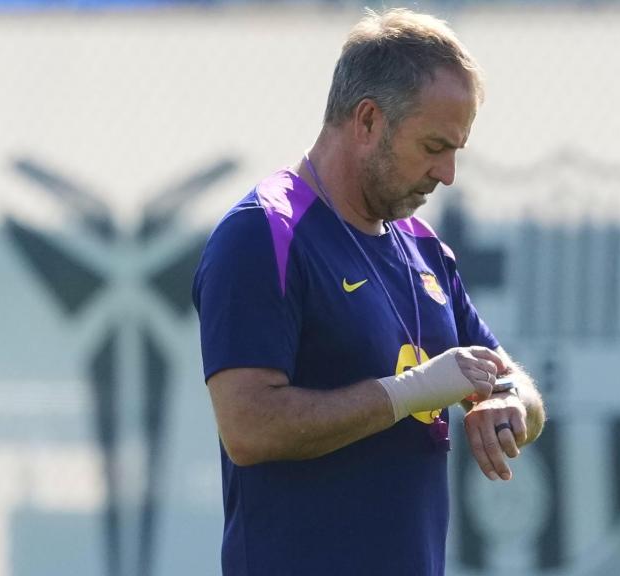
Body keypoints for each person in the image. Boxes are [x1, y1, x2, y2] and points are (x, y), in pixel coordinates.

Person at [192, 8, 545, 576]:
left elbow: (511, 381)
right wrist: (407, 393)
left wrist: (509, 403)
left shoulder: (422, 246)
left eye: (457, 149)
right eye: (434, 146)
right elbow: (248, 427)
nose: (449, 172)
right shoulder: (264, 233)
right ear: (368, 121)